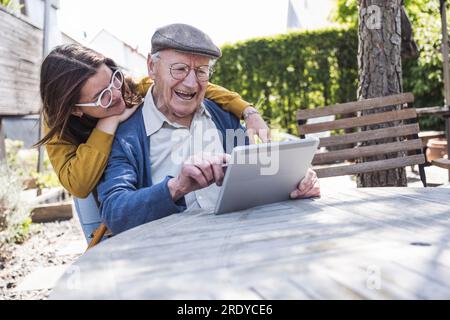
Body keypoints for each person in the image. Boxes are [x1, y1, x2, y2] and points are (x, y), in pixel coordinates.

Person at [97, 24, 320, 235]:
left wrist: (296, 181)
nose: (192, 83)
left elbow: (256, 175)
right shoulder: (128, 134)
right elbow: (114, 212)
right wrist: (176, 187)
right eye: (180, 69)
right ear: (152, 67)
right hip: (169, 256)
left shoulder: (223, 117)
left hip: (237, 241)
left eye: (202, 71)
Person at [36, 44, 269, 199]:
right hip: (107, 189)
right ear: (76, 109)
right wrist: (108, 123)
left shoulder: (128, 87)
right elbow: (78, 185)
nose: (116, 94)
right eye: (102, 97)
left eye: (113, 79)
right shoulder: (58, 125)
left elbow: (199, 89)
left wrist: (248, 111)